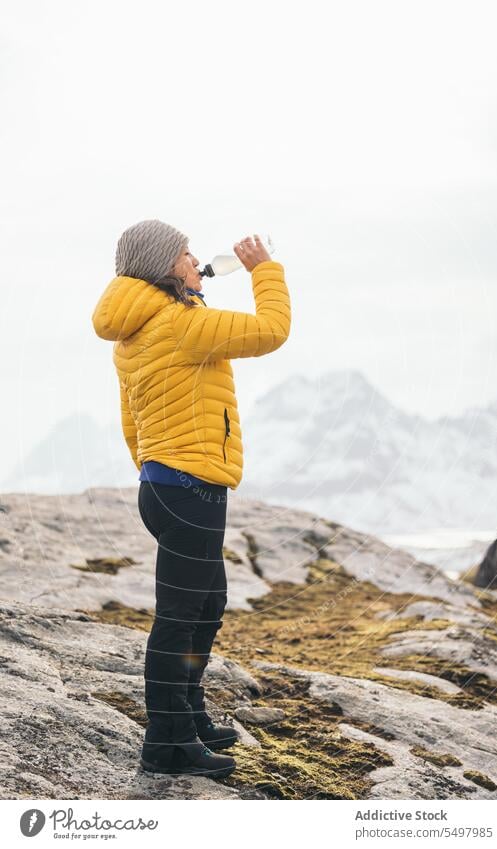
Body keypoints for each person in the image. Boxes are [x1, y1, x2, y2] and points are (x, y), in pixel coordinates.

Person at [91, 220, 291, 778]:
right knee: (179, 619)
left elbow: (132, 419)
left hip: (164, 485)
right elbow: (272, 330)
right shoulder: (181, 324)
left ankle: (188, 714)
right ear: (163, 265)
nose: (196, 258)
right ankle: (167, 744)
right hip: (189, 486)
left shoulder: (139, 329)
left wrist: (154, 473)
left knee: (206, 604)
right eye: (185, 252)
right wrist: (263, 271)